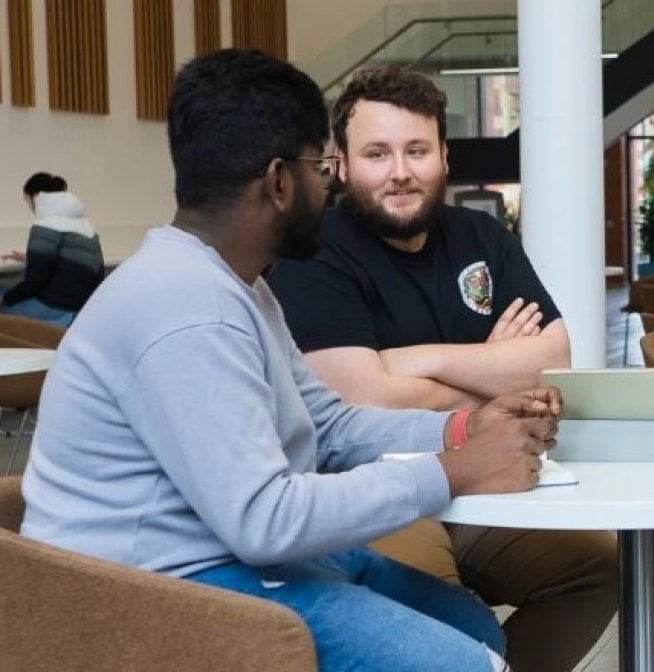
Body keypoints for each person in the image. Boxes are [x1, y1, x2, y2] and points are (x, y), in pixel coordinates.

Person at [20, 49, 565, 672]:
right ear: (279, 182)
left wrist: (465, 427)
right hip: (149, 593)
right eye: (319, 166)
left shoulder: (236, 285)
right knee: (469, 663)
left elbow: (327, 425)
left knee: (471, 626)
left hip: (220, 554)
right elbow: (266, 519)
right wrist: (454, 469)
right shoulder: (187, 307)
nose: (327, 182)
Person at [266, 64, 617, 672]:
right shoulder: (314, 252)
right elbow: (361, 402)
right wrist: (493, 371)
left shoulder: (483, 237)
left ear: (444, 157)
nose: (400, 171)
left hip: (487, 473)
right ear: (341, 164)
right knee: (431, 599)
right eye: (377, 153)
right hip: (371, 490)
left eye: (416, 150)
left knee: (596, 567)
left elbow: (553, 362)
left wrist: (410, 361)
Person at [0, 172, 104, 326]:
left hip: (57, 308)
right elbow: (70, 262)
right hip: (81, 307)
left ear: (34, 197)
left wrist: (5, 300)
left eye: (26, 200)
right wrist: (31, 258)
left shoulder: (46, 225)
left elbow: (34, 283)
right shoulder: (82, 224)